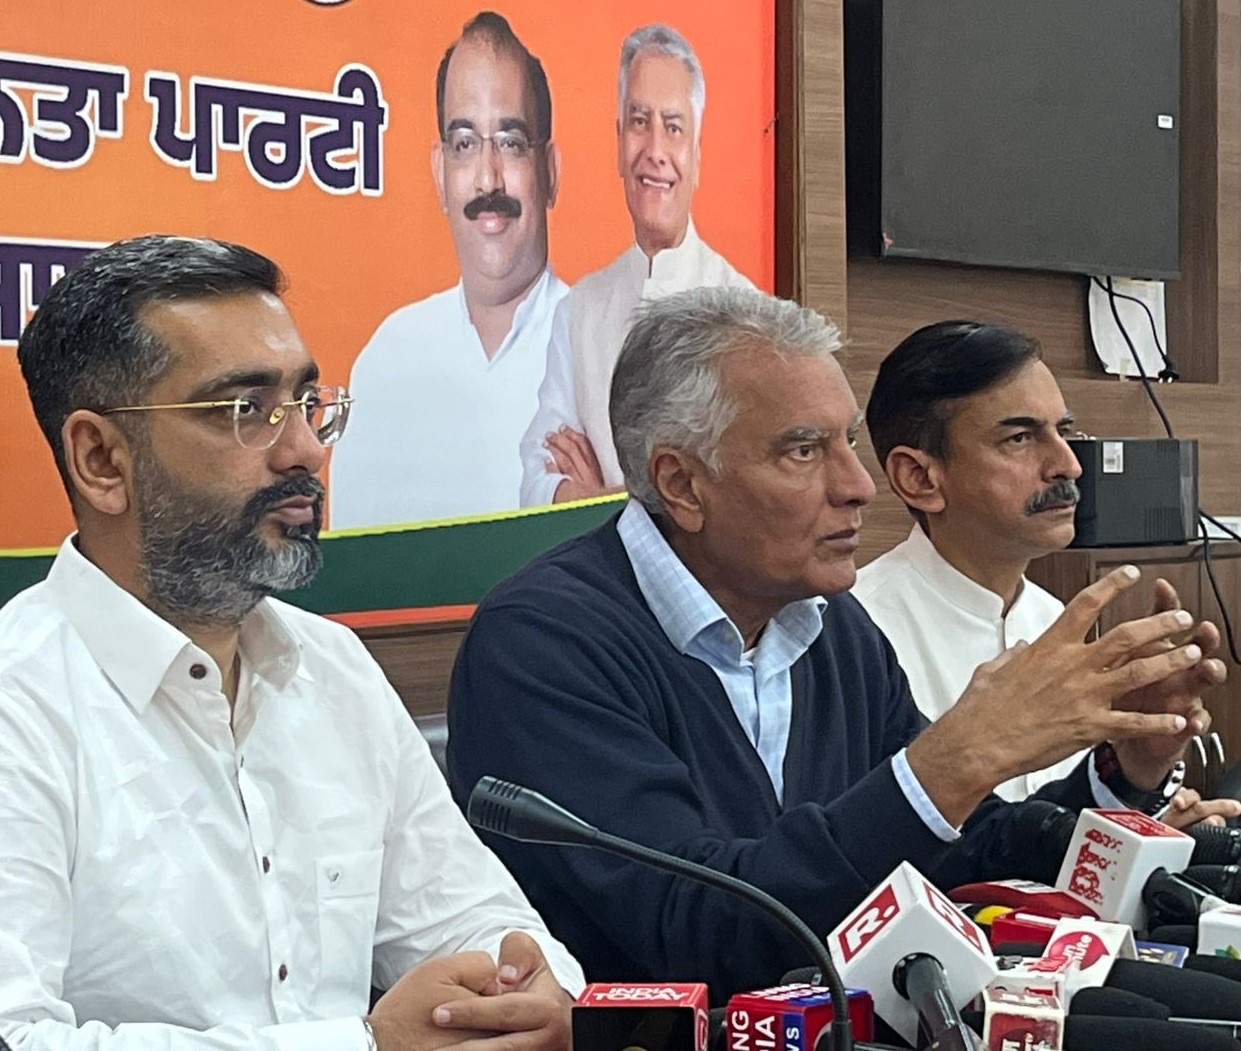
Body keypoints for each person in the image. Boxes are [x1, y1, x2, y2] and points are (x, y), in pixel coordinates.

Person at [446, 287, 1224, 1000]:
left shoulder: (831, 626)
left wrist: (1122, 769)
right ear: (681, 484)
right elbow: (704, 932)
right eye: (802, 450)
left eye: (846, 441)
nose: (856, 484)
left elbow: (964, 861)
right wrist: (955, 758)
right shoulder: (544, 642)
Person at [1, 235, 583, 1051]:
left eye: (307, 402)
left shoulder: (332, 668)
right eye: (246, 410)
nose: (305, 449)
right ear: (102, 459)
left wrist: (529, 990)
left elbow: (470, 917)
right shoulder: (20, 701)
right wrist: (365, 1046)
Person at [854, 321, 1241, 826]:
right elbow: (880, 849)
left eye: (1065, 432)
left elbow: (1056, 836)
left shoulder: (1054, 618)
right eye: (1020, 438)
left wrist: (1139, 787)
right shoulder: (854, 635)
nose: (1069, 465)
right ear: (920, 478)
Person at [331, 12, 565, 527]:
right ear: (440, 175)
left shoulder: (602, 350)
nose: (487, 179)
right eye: (464, 145)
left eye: (510, 142)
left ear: (549, 172)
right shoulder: (388, 360)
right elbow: (356, 565)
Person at [517, 23, 753, 508]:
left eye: (674, 127)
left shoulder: (746, 315)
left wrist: (600, 500)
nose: (655, 152)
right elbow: (537, 481)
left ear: (697, 155)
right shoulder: (580, 310)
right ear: (619, 141)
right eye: (639, 122)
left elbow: (732, 499)